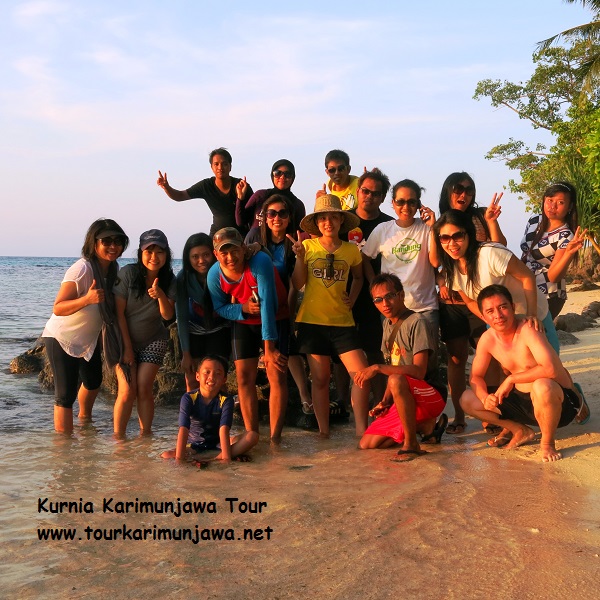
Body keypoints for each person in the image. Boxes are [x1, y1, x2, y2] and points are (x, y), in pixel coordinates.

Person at [460, 284, 588, 462]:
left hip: (557, 402)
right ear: (483, 316)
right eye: (490, 311)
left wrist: (511, 379)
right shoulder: (487, 339)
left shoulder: (528, 328)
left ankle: (547, 443)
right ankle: (519, 430)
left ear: (512, 307)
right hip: (523, 402)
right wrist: (484, 397)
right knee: (467, 399)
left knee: (542, 385)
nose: (497, 315)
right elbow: (476, 377)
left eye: (503, 307)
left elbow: (551, 369)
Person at [289, 194, 371, 437]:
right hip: (312, 322)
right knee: (321, 378)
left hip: (342, 323)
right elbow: (297, 282)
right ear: (316, 223)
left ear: (340, 220)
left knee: (361, 375)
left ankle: (361, 431)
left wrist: (353, 299)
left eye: (333, 217)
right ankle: (324, 432)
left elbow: (358, 277)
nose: (328, 222)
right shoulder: (307, 247)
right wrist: (300, 258)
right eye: (323, 218)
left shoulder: (351, 250)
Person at [42, 219, 129, 433]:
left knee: (93, 382)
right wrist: (86, 300)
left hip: (88, 341)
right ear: (94, 243)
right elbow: (58, 307)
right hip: (62, 338)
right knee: (65, 396)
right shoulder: (82, 269)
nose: (113, 246)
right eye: (106, 240)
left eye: (118, 241)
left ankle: (85, 422)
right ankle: (65, 448)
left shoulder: (113, 270)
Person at [436, 172, 506, 434]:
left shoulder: (478, 217)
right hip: (454, 301)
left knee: (492, 356)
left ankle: (492, 413)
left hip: (480, 298)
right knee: (456, 358)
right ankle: (460, 417)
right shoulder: (440, 220)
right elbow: (435, 261)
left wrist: (491, 222)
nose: (463, 195)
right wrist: (442, 283)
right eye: (458, 189)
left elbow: (500, 247)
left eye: (468, 190)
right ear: (448, 192)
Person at [433, 209, 560, 354]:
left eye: (458, 236)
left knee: (549, 367)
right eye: (445, 238)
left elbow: (527, 277)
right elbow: (470, 302)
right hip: (500, 323)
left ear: (468, 233)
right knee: (508, 369)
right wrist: (491, 321)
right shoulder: (451, 270)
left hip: (533, 316)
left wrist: (531, 315)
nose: (452, 243)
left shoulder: (490, 253)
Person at [207, 227, 290, 442]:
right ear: (216, 254)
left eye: (234, 250)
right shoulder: (214, 274)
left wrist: (270, 349)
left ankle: (275, 439)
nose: (230, 257)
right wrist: (241, 309)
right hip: (244, 321)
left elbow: (268, 305)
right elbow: (219, 307)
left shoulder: (260, 262)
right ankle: (252, 434)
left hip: (275, 316)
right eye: (223, 252)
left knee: (276, 374)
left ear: (244, 249)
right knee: (244, 378)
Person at [356, 274, 447, 461]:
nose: (385, 304)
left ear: (401, 295)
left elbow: (419, 372)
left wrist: (377, 368)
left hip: (430, 393)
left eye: (390, 296)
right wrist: (384, 402)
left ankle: (412, 444)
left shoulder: (417, 322)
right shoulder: (387, 325)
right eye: (378, 300)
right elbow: (394, 367)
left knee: (395, 378)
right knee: (367, 444)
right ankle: (425, 427)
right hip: (406, 393)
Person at [244, 195, 313, 413]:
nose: (276, 218)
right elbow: (240, 270)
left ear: (289, 217)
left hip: (281, 305)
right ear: (264, 217)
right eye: (271, 213)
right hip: (254, 305)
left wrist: (301, 256)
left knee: (287, 351)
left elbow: (295, 284)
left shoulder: (295, 241)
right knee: (249, 355)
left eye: (282, 213)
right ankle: (244, 397)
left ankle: (305, 396)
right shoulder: (255, 235)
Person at [336, 168, 395, 411]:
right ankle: (340, 402)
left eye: (376, 193)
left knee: (375, 351)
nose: (369, 196)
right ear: (357, 191)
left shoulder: (388, 225)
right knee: (340, 353)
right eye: (365, 191)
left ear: (382, 198)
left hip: (377, 298)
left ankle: (380, 403)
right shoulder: (342, 220)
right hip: (342, 294)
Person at [113, 229, 176, 436]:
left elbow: (168, 317)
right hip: (124, 339)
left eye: (160, 252)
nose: (154, 257)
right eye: (149, 251)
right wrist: (127, 348)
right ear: (140, 253)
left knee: (143, 387)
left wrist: (160, 296)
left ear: (167, 255)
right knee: (127, 390)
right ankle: (119, 439)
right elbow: (118, 314)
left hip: (154, 339)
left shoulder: (169, 280)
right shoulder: (129, 274)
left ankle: (145, 435)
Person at [361, 179, 438, 334]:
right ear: (393, 203)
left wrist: (434, 228)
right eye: (400, 202)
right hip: (392, 308)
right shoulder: (383, 229)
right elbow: (364, 258)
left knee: (427, 357)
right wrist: (375, 285)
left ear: (418, 205)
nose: (406, 207)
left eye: (411, 202)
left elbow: (435, 262)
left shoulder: (427, 229)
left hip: (425, 307)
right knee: (395, 357)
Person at [161, 355, 258, 462]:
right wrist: (179, 460)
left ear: (224, 379)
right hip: (194, 446)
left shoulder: (226, 399)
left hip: (218, 445)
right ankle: (217, 456)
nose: (211, 377)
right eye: (207, 372)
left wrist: (226, 460)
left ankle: (216, 458)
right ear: (197, 376)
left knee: (252, 436)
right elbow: (183, 429)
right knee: (166, 455)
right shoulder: (188, 398)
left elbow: (224, 429)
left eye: (218, 373)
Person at [520, 181, 586, 319]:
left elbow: (554, 277)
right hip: (526, 288)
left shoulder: (566, 236)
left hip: (548, 294)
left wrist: (568, 253)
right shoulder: (534, 220)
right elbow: (525, 255)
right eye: (550, 200)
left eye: (560, 202)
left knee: (538, 334)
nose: (552, 206)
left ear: (570, 207)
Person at [176, 233, 231, 392]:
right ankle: (193, 416)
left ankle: (220, 415)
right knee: (193, 383)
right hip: (194, 334)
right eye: (195, 256)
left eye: (206, 255)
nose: (201, 260)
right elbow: (181, 315)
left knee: (218, 382)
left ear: (214, 254)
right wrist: (186, 353)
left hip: (220, 331)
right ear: (188, 258)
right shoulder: (183, 278)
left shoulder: (224, 272)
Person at [157, 147, 253, 236]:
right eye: (216, 164)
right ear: (211, 167)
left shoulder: (241, 186)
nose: (220, 167)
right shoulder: (206, 186)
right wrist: (166, 187)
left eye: (224, 164)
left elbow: (255, 211)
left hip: (241, 236)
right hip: (217, 236)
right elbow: (180, 195)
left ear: (230, 167)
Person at [236, 159, 306, 232]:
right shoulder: (260, 195)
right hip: (256, 242)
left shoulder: (297, 205)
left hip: (285, 243)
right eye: (278, 173)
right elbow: (240, 222)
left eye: (287, 174)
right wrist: (240, 198)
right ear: (272, 176)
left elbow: (300, 232)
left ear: (293, 177)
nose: (282, 177)